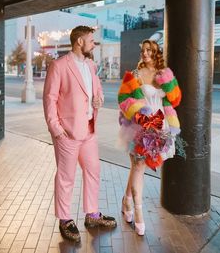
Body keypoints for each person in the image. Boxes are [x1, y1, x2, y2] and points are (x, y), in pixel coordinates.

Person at [43, 25, 117, 242]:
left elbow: (98, 91)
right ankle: (65, 220)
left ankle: (92, 214)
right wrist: (56, 130)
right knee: (66, 177)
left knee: (93, 170)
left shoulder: (92, 65)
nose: (93, 43)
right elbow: (50, 99)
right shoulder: (59, 66)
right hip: (67, 133)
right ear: (79, 42)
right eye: (91, 40)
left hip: (89, 130)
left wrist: (99, 100)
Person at [118, 40, 182, 236]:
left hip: (160, 126)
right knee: (138, 167)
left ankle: (126, 200)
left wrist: (168, 82)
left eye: (149, 50)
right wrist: (139, 115)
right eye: (143, 50)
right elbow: (123, 100)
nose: (145, 53)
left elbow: (176, 99)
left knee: (138, 168)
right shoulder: (134, 75)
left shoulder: (164, 74)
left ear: (156, 53)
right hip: (139, 126)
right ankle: (138, 212)